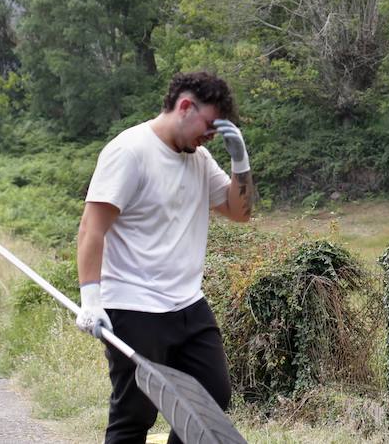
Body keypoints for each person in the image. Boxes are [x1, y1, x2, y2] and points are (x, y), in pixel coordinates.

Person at [75, 71, 255, 444]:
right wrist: (91, 301)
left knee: (211, 398)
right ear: (185, 106)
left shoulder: (200, 159)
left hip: (188, 303)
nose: (211, 136)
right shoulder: (129, 152)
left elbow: (241, 212)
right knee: (135, 414)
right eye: (209, 125)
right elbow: (91, 230)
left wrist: (240, 162)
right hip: (134, 306)